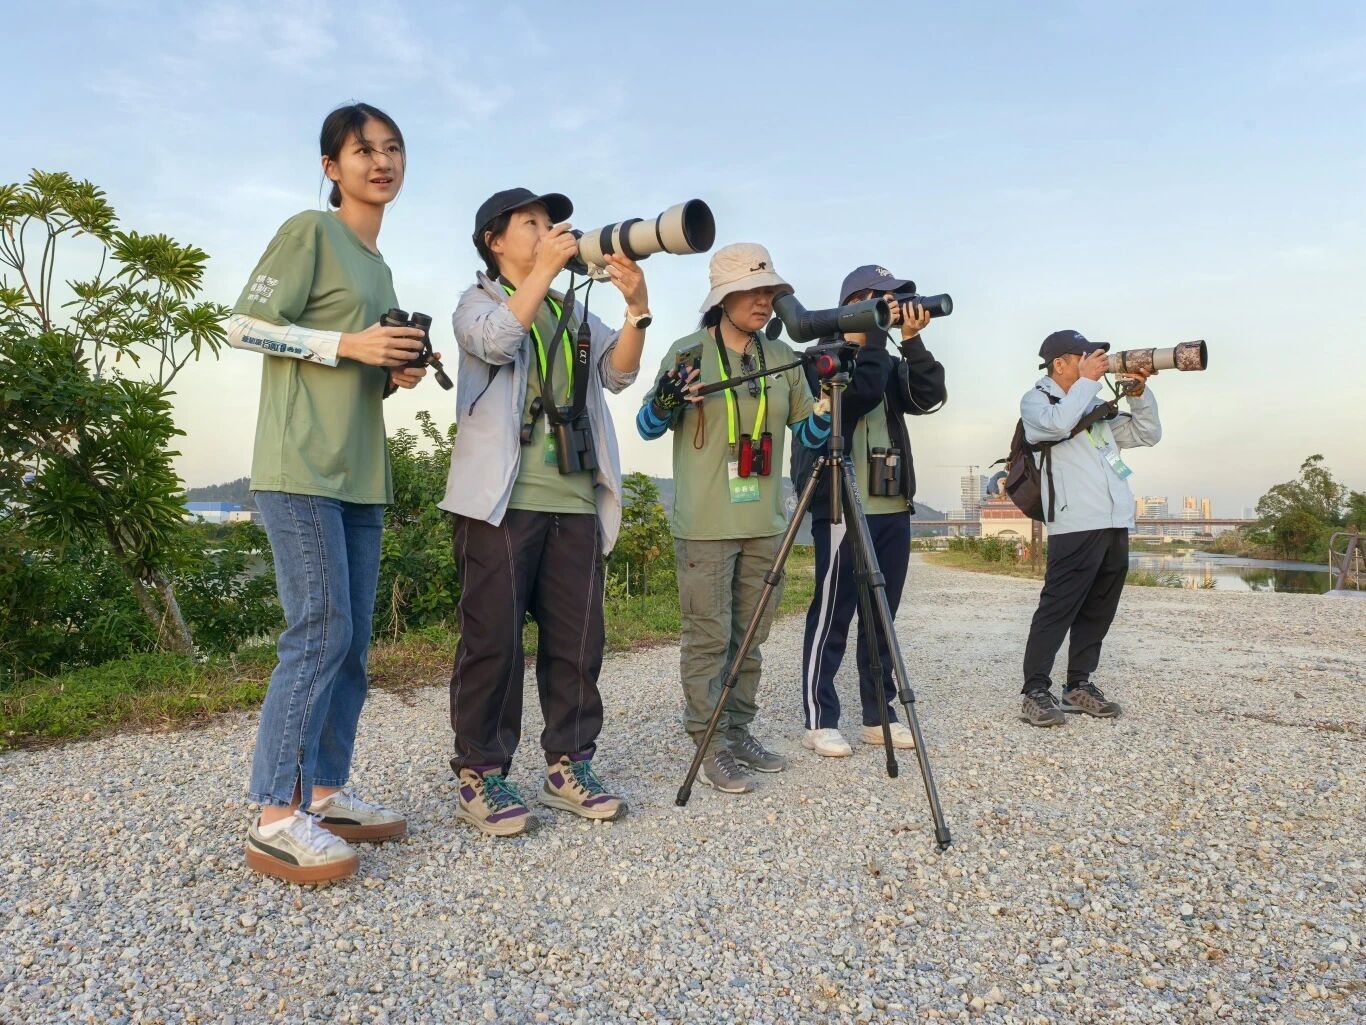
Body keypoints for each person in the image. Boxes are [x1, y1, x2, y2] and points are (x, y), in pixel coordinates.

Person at [228, 103, 427, 884]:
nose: (381, 161)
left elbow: (354, 375)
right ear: (330, 167)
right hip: (300, 467)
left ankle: (324, 792)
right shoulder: (311, 231)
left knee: (351, 645)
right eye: (362, 150)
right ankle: (276, 815)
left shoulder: (380, 268)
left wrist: (391, 371)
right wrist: (350, 341)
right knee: (318, 631)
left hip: (361, 474)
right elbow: (244, 325)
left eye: (392, 148)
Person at [439, 188, 650, 835]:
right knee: (493, 642)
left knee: (579, 643)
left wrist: (637, 309)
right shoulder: (477, 302)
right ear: (494, 240)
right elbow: (497, 341)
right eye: (530, 222)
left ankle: (569, 765)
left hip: (575, 499)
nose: (547, 230)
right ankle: (481, 772)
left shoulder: (570, 307)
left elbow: (617, 373)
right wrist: (544, 274)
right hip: (499, 503)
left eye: (550, 222)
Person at [636, 243, 831, 793]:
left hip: (766, 522)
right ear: (723, 297)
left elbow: (808, 434)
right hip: (705, 523)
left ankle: (738, 731)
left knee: (751, 639)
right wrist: (667, 401)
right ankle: (710, 741)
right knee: (708, 638)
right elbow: (648, 427)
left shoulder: (783, 356)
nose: (763, 301)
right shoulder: (688, 351)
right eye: (752, 291)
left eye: (770, 292)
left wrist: (828, 401)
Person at [795, 265, 947, 757]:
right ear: (854, 303)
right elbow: (856, 397)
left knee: (881, 616)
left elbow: (929, 396)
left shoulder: (888, 358)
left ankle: (878, 714)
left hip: (891, 505)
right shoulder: (820, 359)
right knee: (833, 614)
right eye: (884, 299)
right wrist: (874, 342)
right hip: (840, 504)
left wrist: (913, 342)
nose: (893, 306)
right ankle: (820, 717)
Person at [1019, 330, 1162, 727]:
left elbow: (1147, 434)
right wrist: (1087, 383)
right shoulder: (1038, 401)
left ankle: (1078, 685)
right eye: (1082, 356)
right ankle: (1034, 691)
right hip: (1075, 522)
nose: (1093, 361)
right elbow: (1054, 427)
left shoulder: (1094, 405)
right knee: (1057, 608)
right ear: (1059, 363)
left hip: (1114, 520)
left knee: (1099, 608)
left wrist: (1139, 394)